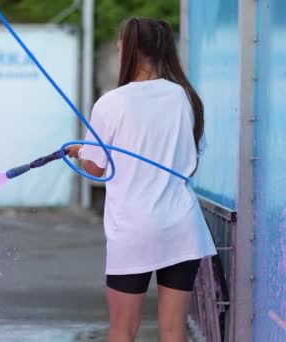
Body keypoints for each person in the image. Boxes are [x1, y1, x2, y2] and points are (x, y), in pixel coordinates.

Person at [67, 17, 217, 342]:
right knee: (173, 331)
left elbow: (95, 169)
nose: (119, 49)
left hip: (133, 230)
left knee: (122, 332)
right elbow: (190, 160)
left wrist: (79, 151)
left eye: (121, 43)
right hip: (181, 227)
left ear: (130, 48)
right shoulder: (185, 98)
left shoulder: (111, 103)